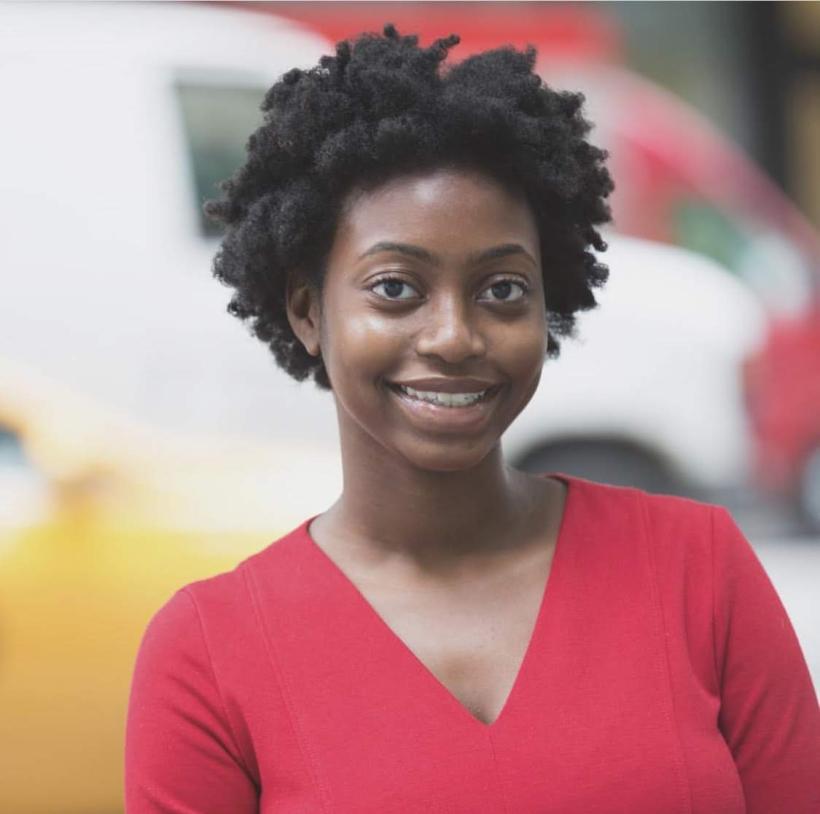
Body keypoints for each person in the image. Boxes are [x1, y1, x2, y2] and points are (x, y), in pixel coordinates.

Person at [124, 24, 820, 813]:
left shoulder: (700, 572)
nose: (454, 336)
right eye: (396, 288)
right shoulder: (208, 653)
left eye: (501, 290)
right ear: (307, 311)